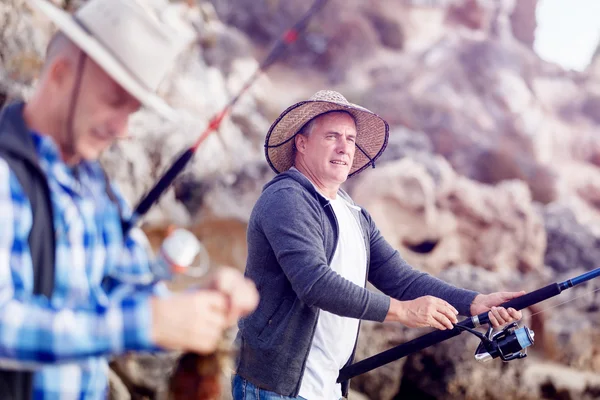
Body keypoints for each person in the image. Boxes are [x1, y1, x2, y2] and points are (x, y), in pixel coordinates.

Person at [0, 0, 258, 398]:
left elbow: (133, 295)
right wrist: (146, 323)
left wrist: (200, 306)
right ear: (61, 74)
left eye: (133, 110)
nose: (122, 129)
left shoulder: (101, 193)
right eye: (115, 101)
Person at [232, 90, 524, 400]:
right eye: (332, 136)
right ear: (301, 143)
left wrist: (475, 302)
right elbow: (314, 283)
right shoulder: (287, 198)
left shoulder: (355, 216)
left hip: (325, 388)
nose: (345, 147)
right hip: (275, 388)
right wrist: (403, 312)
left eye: (350, 138)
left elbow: (401, 278)